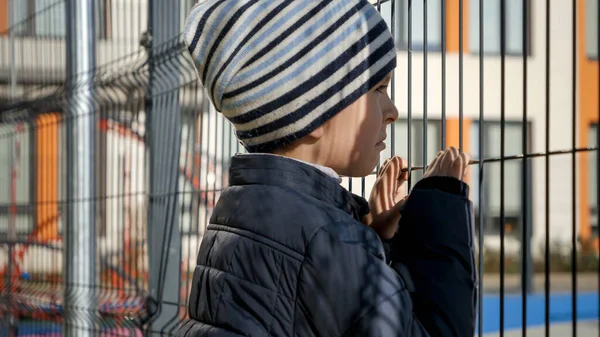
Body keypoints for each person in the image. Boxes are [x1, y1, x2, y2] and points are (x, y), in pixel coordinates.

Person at [178, 0, 477, 336]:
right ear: (311, 112)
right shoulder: (328, 240)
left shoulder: (240, 208)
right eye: (378, 89)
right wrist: (441, 211)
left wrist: (371, 240)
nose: (392, 110)